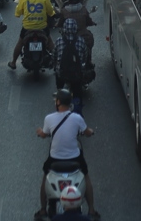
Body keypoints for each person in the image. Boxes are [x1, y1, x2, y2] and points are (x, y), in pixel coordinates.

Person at [36, 89, 98, 220]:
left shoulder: (49, 118)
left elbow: (43, 134)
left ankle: (42, 210)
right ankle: (91, 210)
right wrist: (91, 132)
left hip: (54, 159)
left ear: (58, 102)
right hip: (75, 158)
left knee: (45, 178)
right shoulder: (77, 118)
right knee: (86, 176)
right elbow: (86, 132)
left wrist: (40, 132)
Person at [9, 0, 56, 69]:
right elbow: (51, 12)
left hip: (27, 28)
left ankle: (13, 62)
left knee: (20, 43)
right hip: (42, 27)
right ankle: (57, 62)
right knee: (50, 43)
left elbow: (17, 14)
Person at [54, 16, 90, 95]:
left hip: (62, 73)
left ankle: (59, 89)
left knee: (57, 70)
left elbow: (55, 56)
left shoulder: (58, 41)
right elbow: (85, 56)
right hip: (77, 74)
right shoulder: (81, 41)